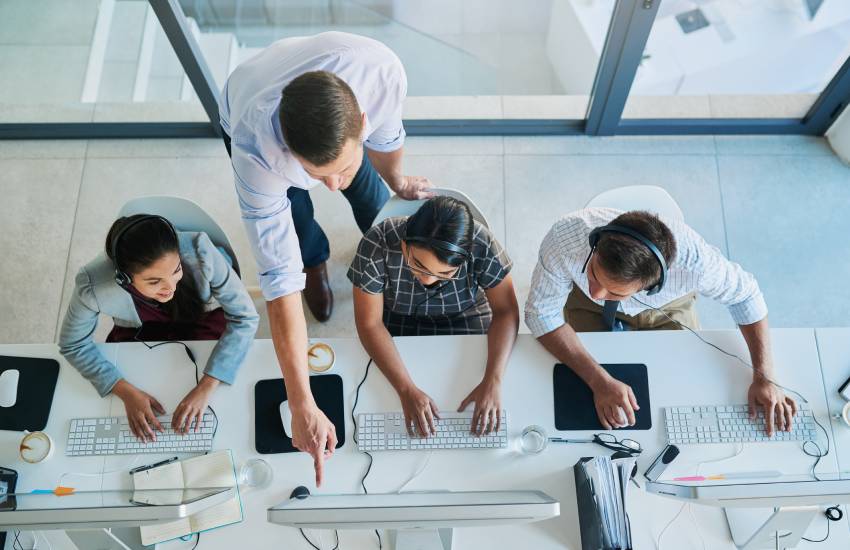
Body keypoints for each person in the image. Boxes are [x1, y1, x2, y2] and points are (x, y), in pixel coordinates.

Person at [219, 31, 432, 485]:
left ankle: (379, 248)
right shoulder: (256, 150)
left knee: (373, 198)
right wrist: (302, 402)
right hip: (245, 96)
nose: (332, 185)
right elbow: (279, 281)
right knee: (296, 219)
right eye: (320, 175)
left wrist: (395, 181)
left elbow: (389, 135)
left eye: (340, 169)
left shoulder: (380, 71)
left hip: (337, 94)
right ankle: (317, 261)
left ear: (362, 120)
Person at [525, 207, 797, 436]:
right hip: (582, 303)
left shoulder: (697, 264)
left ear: (651, 285)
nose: (598, 293)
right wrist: (599, 381)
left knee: (679, 387)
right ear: (595, 245)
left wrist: (764, 376)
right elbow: (541, 315)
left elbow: (746, 295)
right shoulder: (565, 239)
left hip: (667, 307)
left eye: (615, 291)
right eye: (595, 273)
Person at [59, 215, 259, 442]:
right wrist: (124, 391)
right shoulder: (92, 284)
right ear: (124, 278)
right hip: (142, 328)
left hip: (202, 318)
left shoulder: (200, 250)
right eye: (154, 282)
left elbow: (245, 318)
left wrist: (206, 385)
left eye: (176, 271)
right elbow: (73, 343)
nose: (170, 287)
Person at [348, 196, 519, 437]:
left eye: (445, 273)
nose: (428, 279)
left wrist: (494, 379)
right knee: (384, 396)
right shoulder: (377, 243)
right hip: (399, 317)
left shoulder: (482, 243)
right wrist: (406, 389)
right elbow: (369, 322)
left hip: (466, 314)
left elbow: (506, 311)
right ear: (405, 243)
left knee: (467, 382)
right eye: (418, 264)